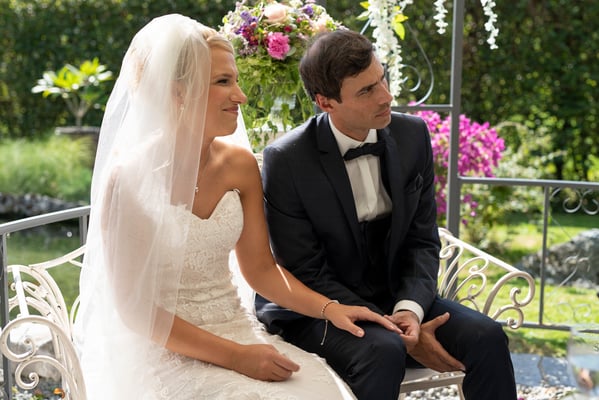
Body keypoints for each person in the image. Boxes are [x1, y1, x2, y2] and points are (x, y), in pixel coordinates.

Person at [74, 15, 401, 400]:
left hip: (239, 329)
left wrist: (330, 308)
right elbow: (134, 310)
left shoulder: (240, 165)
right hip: (165, 348)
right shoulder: (128, 179)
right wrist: (236, 357)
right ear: (179, 93)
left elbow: (261, 270)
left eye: (236, 81)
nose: (241, 96)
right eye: (223, 82)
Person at [256, 29, 518, 400]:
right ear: (326, 102)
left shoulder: (412, 135)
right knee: (383, 350)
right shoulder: (287, 159)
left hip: (397, 295)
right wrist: (393, 330)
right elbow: (304, 268)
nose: (386, 96)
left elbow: (422, 240)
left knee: (486, 336)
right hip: (320, 306)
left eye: (382, 79)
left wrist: (410, 311)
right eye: (366, 90)